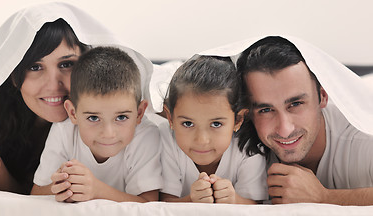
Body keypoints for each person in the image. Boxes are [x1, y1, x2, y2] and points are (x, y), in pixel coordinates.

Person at [0, 2, 154, 194]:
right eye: (35, 67)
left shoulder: (124, 117)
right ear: (13, 76)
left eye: (67, 64)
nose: (54, 85)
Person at [231, 35, 373, 205]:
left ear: (323, 96)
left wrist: (324, 197)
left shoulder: (363, 138)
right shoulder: (233, 145)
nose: (285, 130)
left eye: (296, 104)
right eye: (266, 110)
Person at [31, 47, 162, 202]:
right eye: (93, 118)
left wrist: (97, 190)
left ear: (139, 113)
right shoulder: (63, 130)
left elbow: (149, 204)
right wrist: (63, 186)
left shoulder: (146, 135)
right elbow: (36, 194)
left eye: (121, 117)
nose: (108, 133)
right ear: (73, 113)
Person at [159, 56, 267, 204]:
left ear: (238, 120)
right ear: (170, 118)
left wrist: (234, 199)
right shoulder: (165, 139)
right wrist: (192, 199)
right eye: (188, 124)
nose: (202, 140)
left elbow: (256, 207)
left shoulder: (249, 147)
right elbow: (164, 206)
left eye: (216, 124)